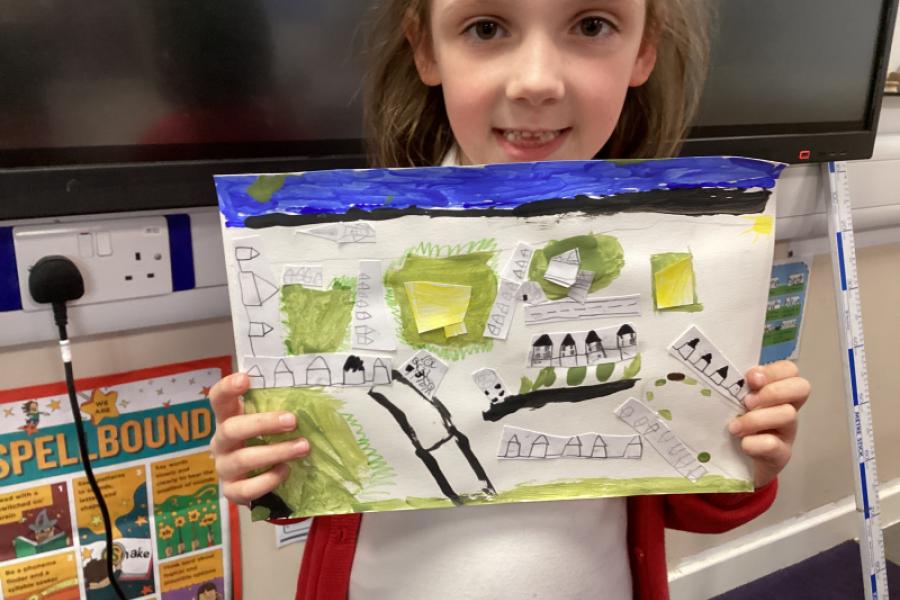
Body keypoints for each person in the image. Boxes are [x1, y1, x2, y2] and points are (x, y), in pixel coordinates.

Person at [209, 1, 812, 598]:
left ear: (644, 48)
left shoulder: (670, 258)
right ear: (425, 48)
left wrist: (744, 458)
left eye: (591, 25)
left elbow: (686, 495)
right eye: (487, 27)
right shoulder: (349, 255)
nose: (536, 82)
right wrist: (270, 464)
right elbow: (326, 482)